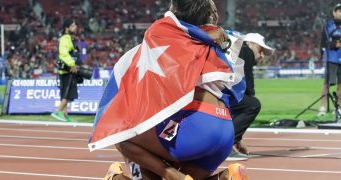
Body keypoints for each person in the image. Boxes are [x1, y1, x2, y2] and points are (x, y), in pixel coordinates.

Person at [90, 0, 247, 180]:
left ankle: (162, 175)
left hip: (195, 128)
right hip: (224, 131)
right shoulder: (220, 39)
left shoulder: (162, 32)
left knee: (121, 133)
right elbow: (237, 90)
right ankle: (227, 177)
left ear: (174, 9)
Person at [228, 33, 274, 160]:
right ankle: (226, 146)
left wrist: (238, 137)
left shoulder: (236, 51)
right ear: (250, 44)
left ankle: (226, 142)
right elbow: (247, 86)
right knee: (252, 104)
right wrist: (236, 138)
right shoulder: (246, 51)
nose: (261, 56)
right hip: (218, 93)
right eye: (260, 50)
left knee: (241, 104)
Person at [51, 19, 79, 122]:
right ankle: (58, 111)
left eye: (75, 25)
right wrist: (73, 64)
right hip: (67, 70)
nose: (75, 27)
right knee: (67, 94)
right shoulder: (65, 39)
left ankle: (65, 115)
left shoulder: (69, 38)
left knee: (67, 94)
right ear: (66, 28)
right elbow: (63, 54)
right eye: (72, 26)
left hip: (68, 70)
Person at [318, 3, 341, 116]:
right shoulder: (328, 25)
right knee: (327, 84)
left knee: (340, 85)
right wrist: (333, 44)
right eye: (339, 11)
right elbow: (323, 42)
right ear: (334, 12)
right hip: (331, 58)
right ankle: (322, 107)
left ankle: (339, 108)